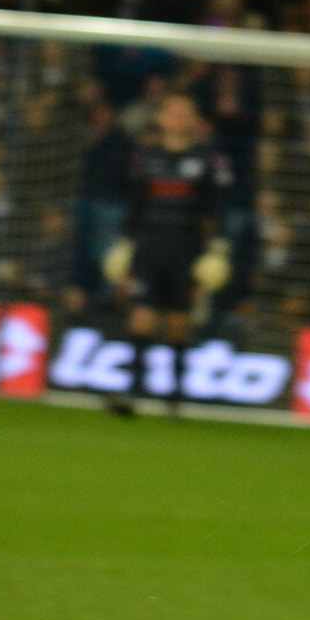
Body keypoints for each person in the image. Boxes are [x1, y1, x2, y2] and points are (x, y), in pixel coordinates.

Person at [103, 92, 232, 409]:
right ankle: (133, 390)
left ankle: (174, 395)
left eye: (184, 113)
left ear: (193, 121)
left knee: (177, 321)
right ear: (161, 119)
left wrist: (217, 247)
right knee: (141, 315)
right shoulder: (147, 157)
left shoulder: (207, 160)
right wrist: (124, 241)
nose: (177, 119)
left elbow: (217, 208)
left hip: (186, 246)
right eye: (172, 113)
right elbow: (135, 204)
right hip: (149, 244)